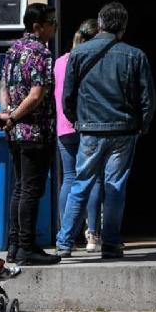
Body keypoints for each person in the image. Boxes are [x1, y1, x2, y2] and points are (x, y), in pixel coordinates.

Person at [56, 2, 156, 259]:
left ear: (100, 24)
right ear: (122, 27)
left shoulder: (78, 54)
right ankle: (110, 243)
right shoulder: (135, 55)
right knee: (114, 186)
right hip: (123, 130)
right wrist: (142, 126)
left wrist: (78, 121)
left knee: (81, 183)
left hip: (89, 129)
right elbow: (148, 99)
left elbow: (67, 97)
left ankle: (64, 242)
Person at [0, 3, 61, 266]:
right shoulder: (42, 53)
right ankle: (26, 247)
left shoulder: (13, 49)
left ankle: (14, 246)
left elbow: (3, 86)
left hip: (14, 132)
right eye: (51, 22)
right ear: (37, 26)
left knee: (19, 188)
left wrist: (6, 112)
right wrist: (15, 116)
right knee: (31, 190)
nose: (54, 27)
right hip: (35, 131)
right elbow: (36, 95)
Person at [54, 19, 104, 252]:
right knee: (93, 178)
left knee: (70, 178)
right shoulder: (92, 61)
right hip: (87, 126)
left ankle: (67, 235)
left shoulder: (59, 63)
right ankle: (93, 235)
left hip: (64, 127)